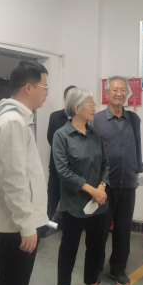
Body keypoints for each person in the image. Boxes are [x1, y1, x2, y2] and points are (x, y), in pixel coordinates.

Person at [0, 61, 49, 285]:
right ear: (29, 87)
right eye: (44, 87)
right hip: (16, 227)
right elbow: (14, 180)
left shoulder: (18, 119)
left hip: (19, 223)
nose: (46, 93)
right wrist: (26, 225)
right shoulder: (12, 122)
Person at [53, 88, 112, 285]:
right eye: (91, 104)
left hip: (98, 203)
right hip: (74, 204)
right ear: (77, 108)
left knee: (96, 247)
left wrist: (102, 187)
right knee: (69, 249)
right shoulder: (62, 136)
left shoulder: (94, 134)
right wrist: (91, 190)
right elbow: (63, 171)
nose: (95, 108)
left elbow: (105, 163)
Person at [93, 75, 143, 285]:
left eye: (123, 90)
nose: (119, 93)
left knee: (123, 230)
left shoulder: (133, 119)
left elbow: (138, 146)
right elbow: (91, 151)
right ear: (106, 93)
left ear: (128, 93)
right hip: (103, 185)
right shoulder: (96, 120)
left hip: (128, 182)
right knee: (99, 231)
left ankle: (118, 269)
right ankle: (94, 271)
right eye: (115, 90)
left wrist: (137, 172)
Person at [46, 85, 77, 222]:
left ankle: (69, 225)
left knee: (73, 199)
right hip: (56, 167)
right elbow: (50, 138)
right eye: (69, 97)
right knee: (52, 197)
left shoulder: (82, 117)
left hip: (76, 168)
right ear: (64, 99)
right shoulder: (55, 116)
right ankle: (43, 226)